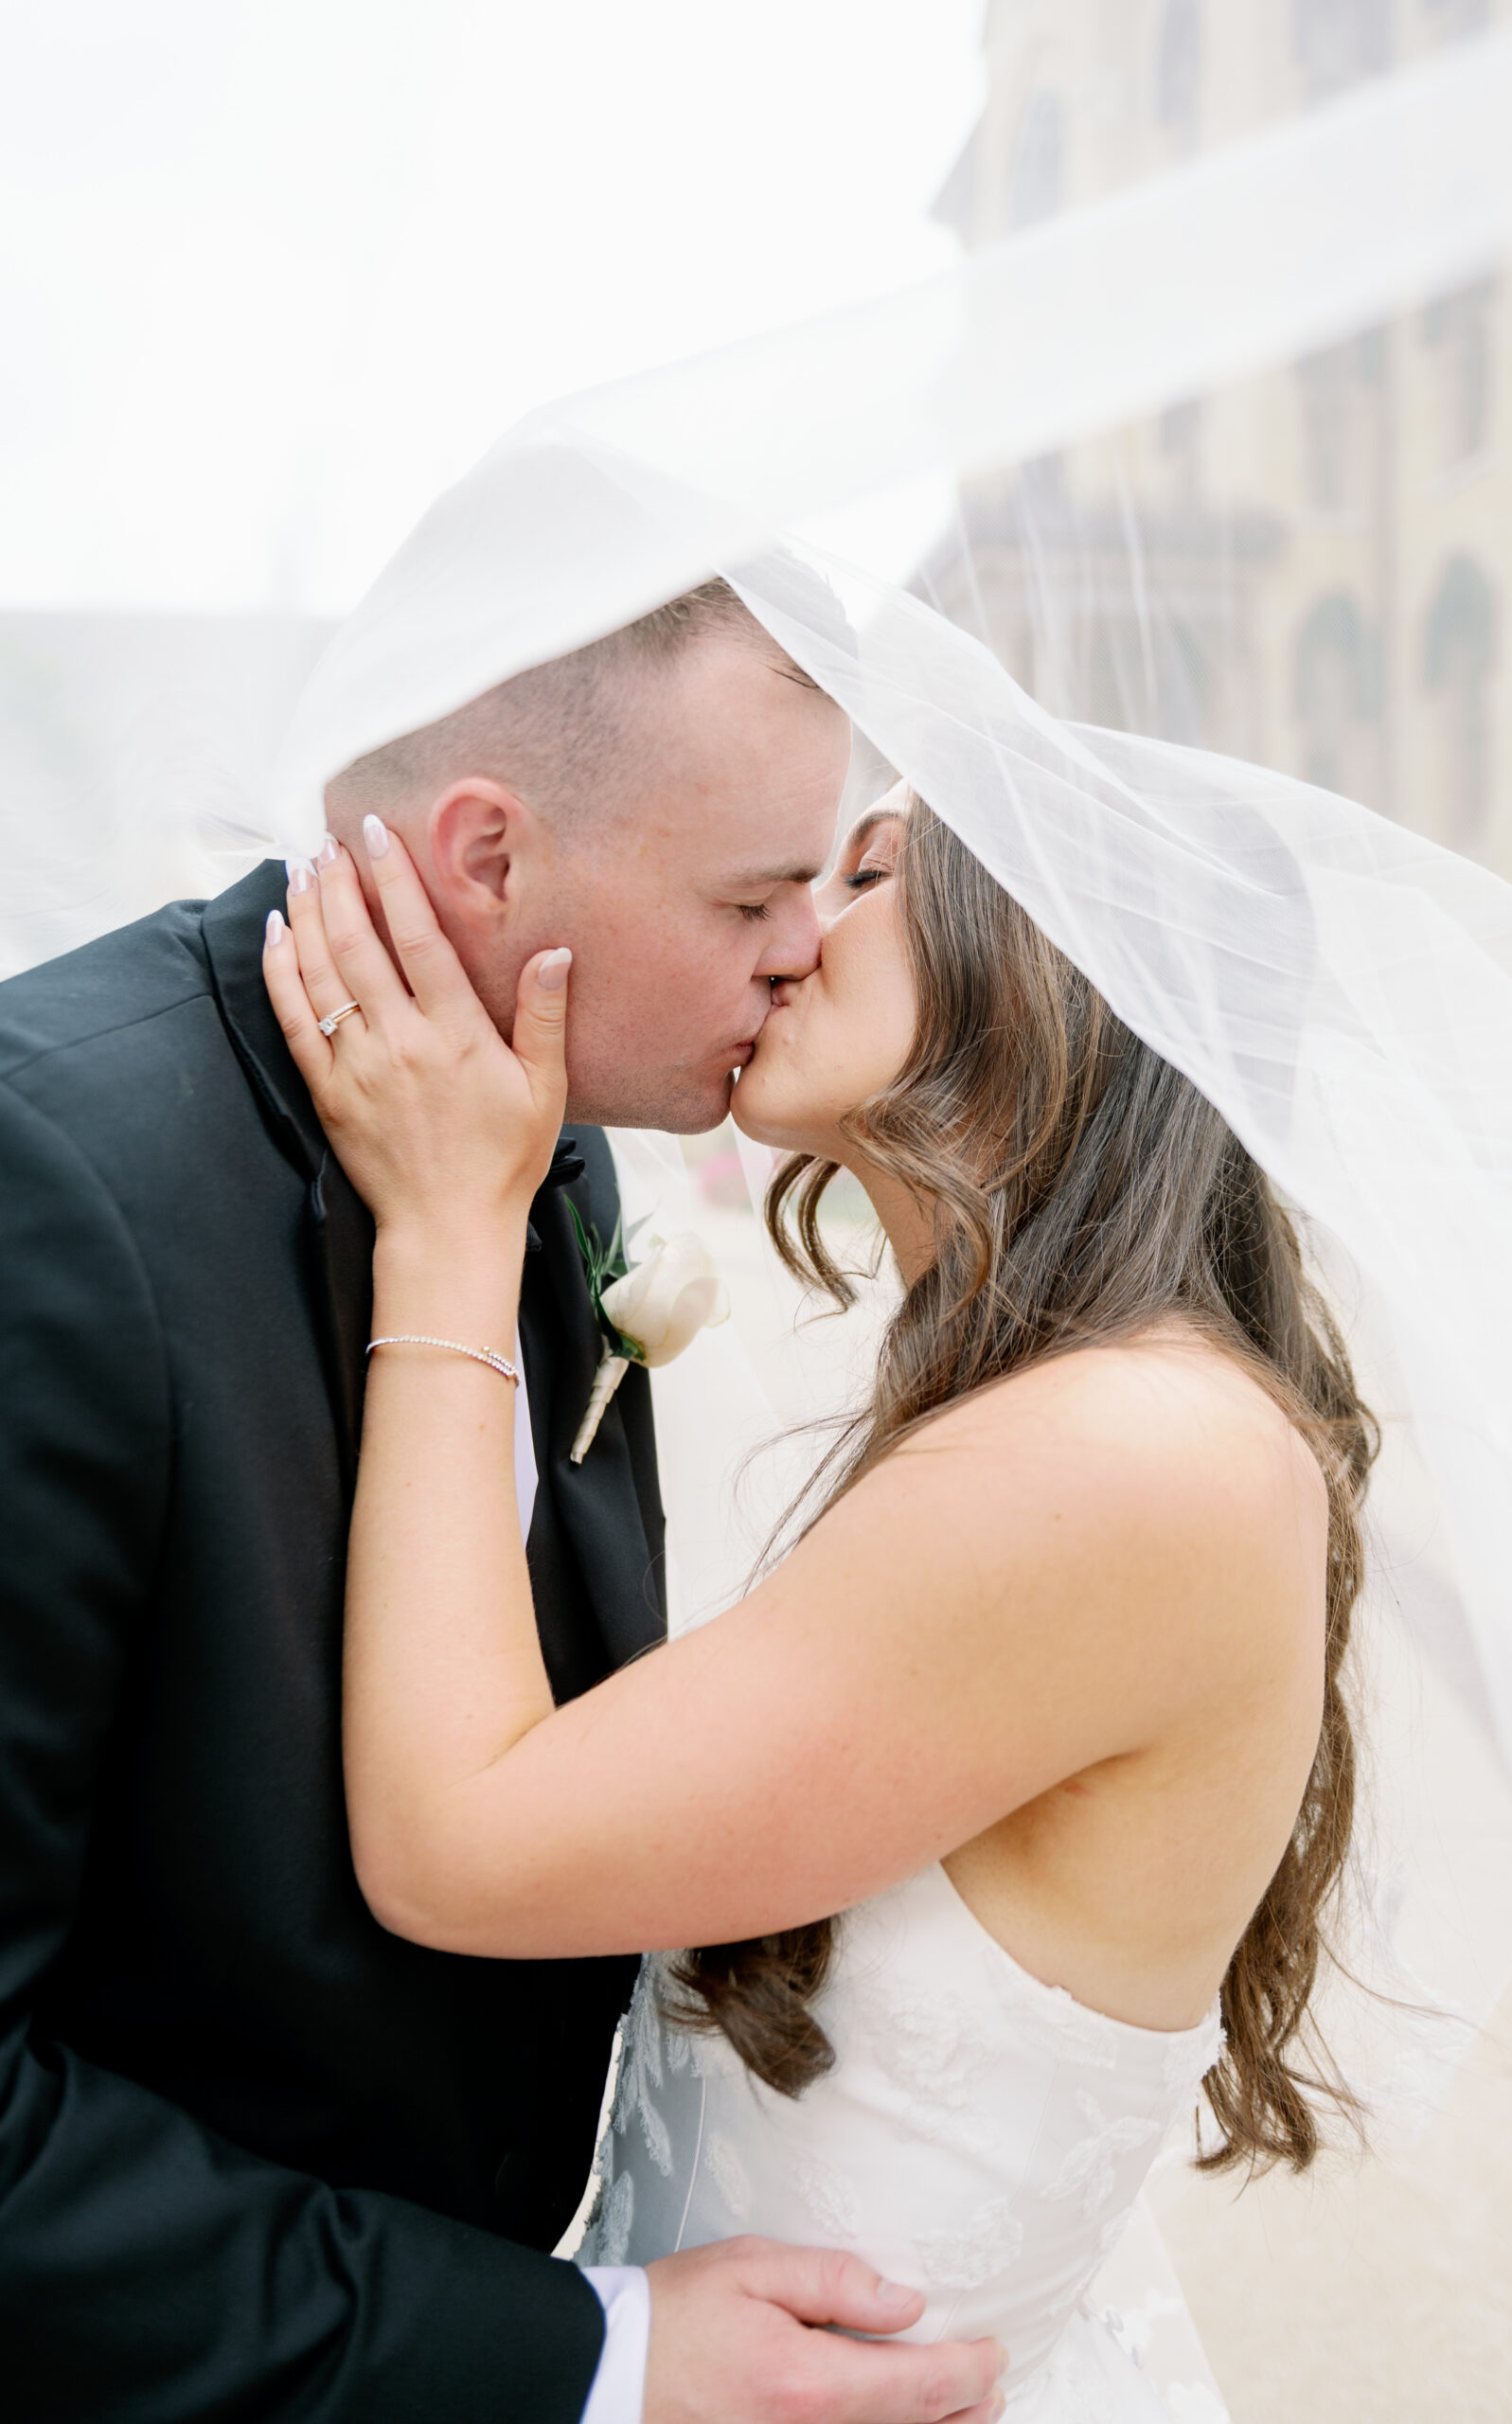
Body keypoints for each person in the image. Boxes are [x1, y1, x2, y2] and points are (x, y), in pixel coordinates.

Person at [0, 581, 1007, 2424]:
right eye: (750, 896)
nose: (806, 952)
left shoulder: (565, 1124)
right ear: (488, 855)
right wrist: (587, 2359)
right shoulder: (48, 1184)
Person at [261, 780, 1377, 2417]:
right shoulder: (1079, 1405)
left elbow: (457, 1845)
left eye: (865, 875)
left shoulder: (1134, 1453)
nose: (792, 933)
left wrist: (448, 1226)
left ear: (1057, 966)